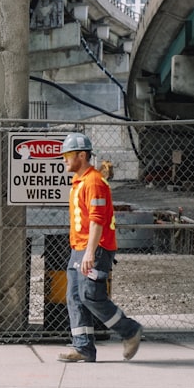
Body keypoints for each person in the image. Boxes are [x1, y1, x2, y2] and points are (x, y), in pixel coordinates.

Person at [57, 132, 143, 363]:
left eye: (67, 155)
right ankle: (83, 347)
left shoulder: (93, 183)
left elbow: (97, 220)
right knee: (75, 297)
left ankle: (130, 330)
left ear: (81, 156)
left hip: (95, 249)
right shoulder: (80, 182)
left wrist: (90, 252)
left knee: (90, 295)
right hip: (81, 249)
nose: (64, 159)